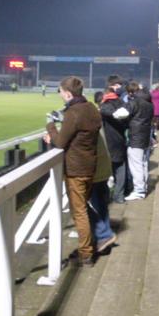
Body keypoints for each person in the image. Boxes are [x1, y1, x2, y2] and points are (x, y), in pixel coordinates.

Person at [44, 76, 102, 266]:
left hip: (76, 169)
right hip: (90, 165)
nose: (60, 95)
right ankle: (95, 242)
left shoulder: (74, 113)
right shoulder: (91, 108)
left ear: (68, 93)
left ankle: (86, 254)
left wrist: (51, 125)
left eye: (60, 92)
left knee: (80, 212)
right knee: (83, 208)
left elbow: (60, 142)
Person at [87, 107, 117, 254]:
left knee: (83, 206)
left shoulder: (86, 123)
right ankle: (104, 238)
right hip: (104, 168)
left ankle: (104, 235)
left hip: (95, 171)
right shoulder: (97, 121)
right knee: (101, 205)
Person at [98, 87, 129, 204]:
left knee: (105, 171)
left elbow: (104, 111)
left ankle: (105, 197)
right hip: (121, 139)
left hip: (108, 142)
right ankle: (119, 195)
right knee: (121, 169)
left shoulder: (105, 105)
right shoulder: (123, 103)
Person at [125, 81, 154, 201]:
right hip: (145, 137)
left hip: (136, 138)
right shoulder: (149, 104)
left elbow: (120, 114)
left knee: (136, 165)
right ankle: (143, 187)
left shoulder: (135, 103)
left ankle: (139, 190)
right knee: (143, 163)